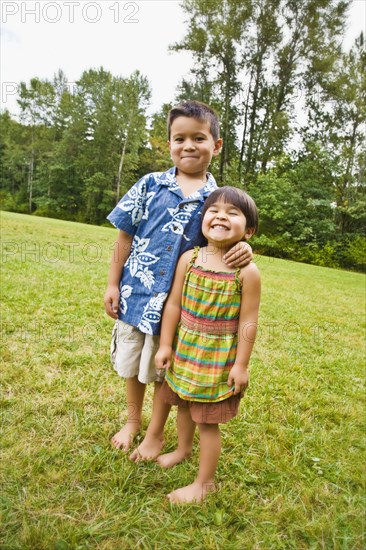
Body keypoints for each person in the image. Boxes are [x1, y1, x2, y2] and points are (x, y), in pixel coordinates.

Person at [104, 101, 253, 460]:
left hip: (179, 306)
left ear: (216, 145)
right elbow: (124, 236)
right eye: (179, 138)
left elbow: (229, 235)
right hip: (135, 294)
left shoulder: (216, 199)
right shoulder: (150, 185)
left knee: (163, 370)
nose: (188, 145)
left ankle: (155, 434)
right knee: (131, 363)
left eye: (198, 138)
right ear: (169, 144)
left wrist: (246, 251)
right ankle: (132, 422)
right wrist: (112, 284)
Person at [155, 186, 261, 503]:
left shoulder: (248, 272)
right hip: (186, 350)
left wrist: (241, 365)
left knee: (208, 421)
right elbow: (173, 305)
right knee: (184, 404)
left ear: (249, 230)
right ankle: (183, 449)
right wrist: (164, 346)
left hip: (218, 359)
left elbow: (248, 322)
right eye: (214, 210)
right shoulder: (189, 258)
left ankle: (205, 484)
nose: (220, 216)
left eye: (233, 213)